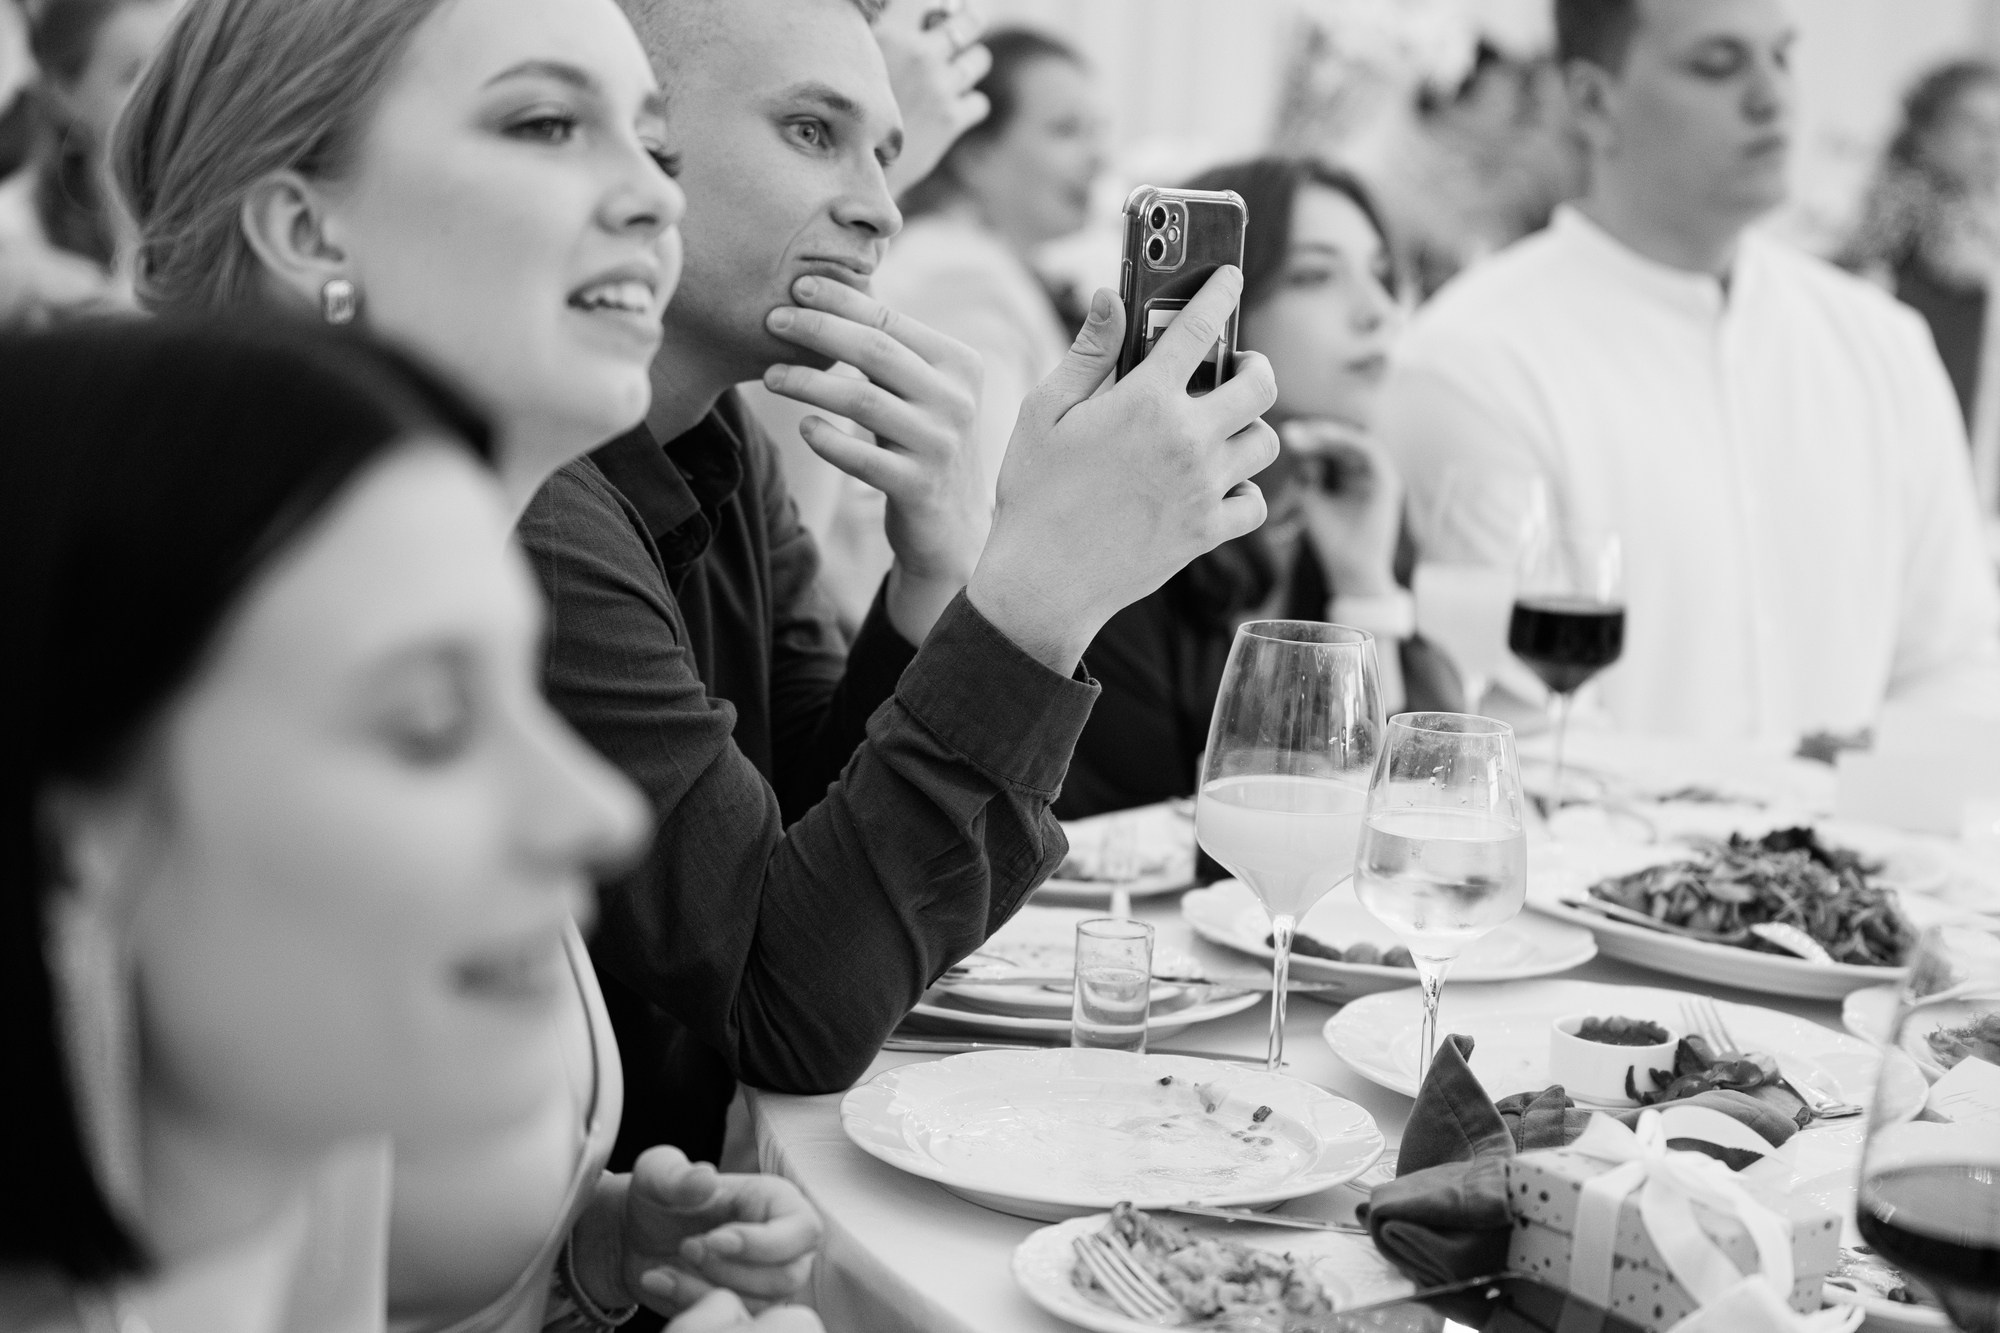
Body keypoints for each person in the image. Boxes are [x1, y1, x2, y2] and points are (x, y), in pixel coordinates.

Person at [114, 0, 826, 1326]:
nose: (653, 201)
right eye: (547, 124)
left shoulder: (435, 617)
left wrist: (587, 1255)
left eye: (655, 145)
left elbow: (350, 1251)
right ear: (309, 226)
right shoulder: (196, 713)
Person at [525, 0, 1278, 1166]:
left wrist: (940, 566)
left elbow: (809, 856)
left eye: (885, 147)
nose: (881, 206)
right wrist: (1036, 594)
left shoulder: (726, 446)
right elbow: (790, 1006)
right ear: (637, 146)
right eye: (813, 132)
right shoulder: (541, 510)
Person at [0, 318, 820, 1333]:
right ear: (73, 838)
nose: (599, 812)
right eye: (430, 725)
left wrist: (590, 1256)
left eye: (526, 692)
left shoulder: (275, 1146)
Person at [1378, 0, 2000, 745]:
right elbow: (1517, 731)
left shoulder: (1884, 345)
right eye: (1718, 64)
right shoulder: (1472, 360)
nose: (1774, 97)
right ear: (1593, 101)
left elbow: (1955, 664)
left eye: (1781, 57)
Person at [1056, 157, 1461, 819]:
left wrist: (1365, 585)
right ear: (1217, 314)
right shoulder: (1125, 545)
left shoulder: (1342, 508)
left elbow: (1427, 802)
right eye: (1314, 276)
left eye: (1384, 276)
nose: (1379, 311)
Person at [795, 26, 1105, 627]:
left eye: (1099, 132)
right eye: (1067, 131)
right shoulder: (961, 278)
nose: (1098, 156)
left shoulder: (987, 266)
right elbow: (998, 513)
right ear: (975, 152)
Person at [1839, 58, 2000, 511]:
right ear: (1927, 133)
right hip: (1909, 433)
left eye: (1997, 128)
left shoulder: (1985, 218)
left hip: (1974, 434)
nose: (1989, 143)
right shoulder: (1902, 204)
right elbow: (1856, 273)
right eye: (1973, 125)